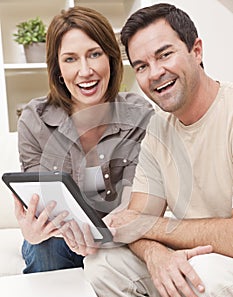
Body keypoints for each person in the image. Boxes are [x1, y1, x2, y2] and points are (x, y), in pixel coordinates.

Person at [80, 3, 233, 297]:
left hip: (218, 267)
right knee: (104, 265)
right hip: (201, 259)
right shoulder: (159, 130)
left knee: (200, 278)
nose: (155, 73)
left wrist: (152, 229)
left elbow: (142, 223)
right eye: (142, 66)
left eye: (164, 55)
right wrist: (155, 254)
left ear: (196, 50)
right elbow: (134, 220)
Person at [14, 6, 154, 274]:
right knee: (45, 246)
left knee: (123, 251)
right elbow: (40, 200)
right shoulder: (34, 119)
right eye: (70, 59)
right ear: (57, 69)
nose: (85, 70)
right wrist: (33, 227)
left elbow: (135, 201)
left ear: (111, 59)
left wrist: (103, 236)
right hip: (58, 237)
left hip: (117, 231)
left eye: (94, 54)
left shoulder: (139, 116)